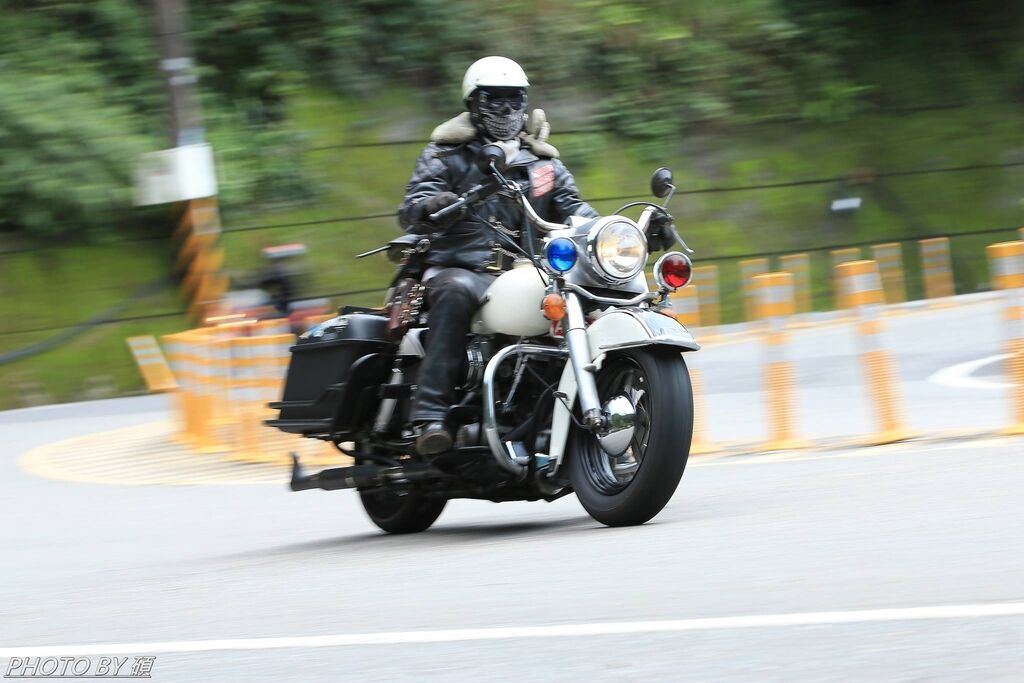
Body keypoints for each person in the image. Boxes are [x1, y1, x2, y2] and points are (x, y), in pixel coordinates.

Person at [398, 56, 599, 456]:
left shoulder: (543, 164)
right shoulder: (446, 154)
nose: (506, 109)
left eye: (514, 99)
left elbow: (576, 209)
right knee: (454, 291)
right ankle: (431, 417)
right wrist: (432, 203)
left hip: (529, 273)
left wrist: (613, 231)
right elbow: (412, 206)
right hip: (462, 267)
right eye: (494, 99)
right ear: (474, 104)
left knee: (586, 299)